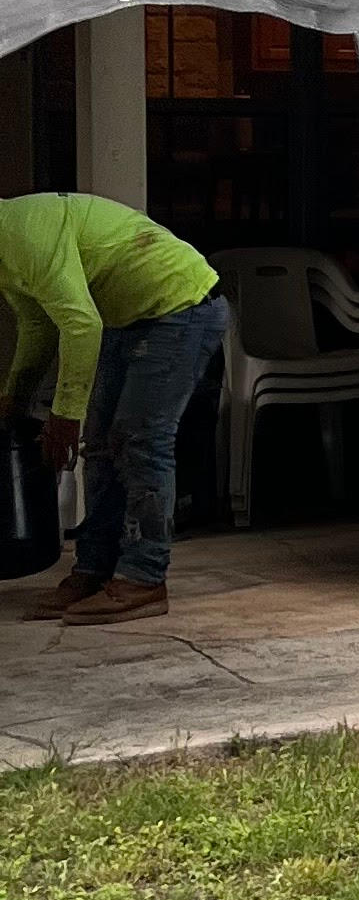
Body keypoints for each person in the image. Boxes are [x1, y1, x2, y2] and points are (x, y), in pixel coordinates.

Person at [0, 190, 232, 620]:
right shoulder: (7, 253)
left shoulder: (21, 235)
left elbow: (81, 324)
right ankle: (94, 567)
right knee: (102, 445)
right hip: (127, 317)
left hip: (181, 305)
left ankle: (144, 577)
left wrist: (64, 416)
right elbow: (37, 324)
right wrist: (14, 398)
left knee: (140, 440)